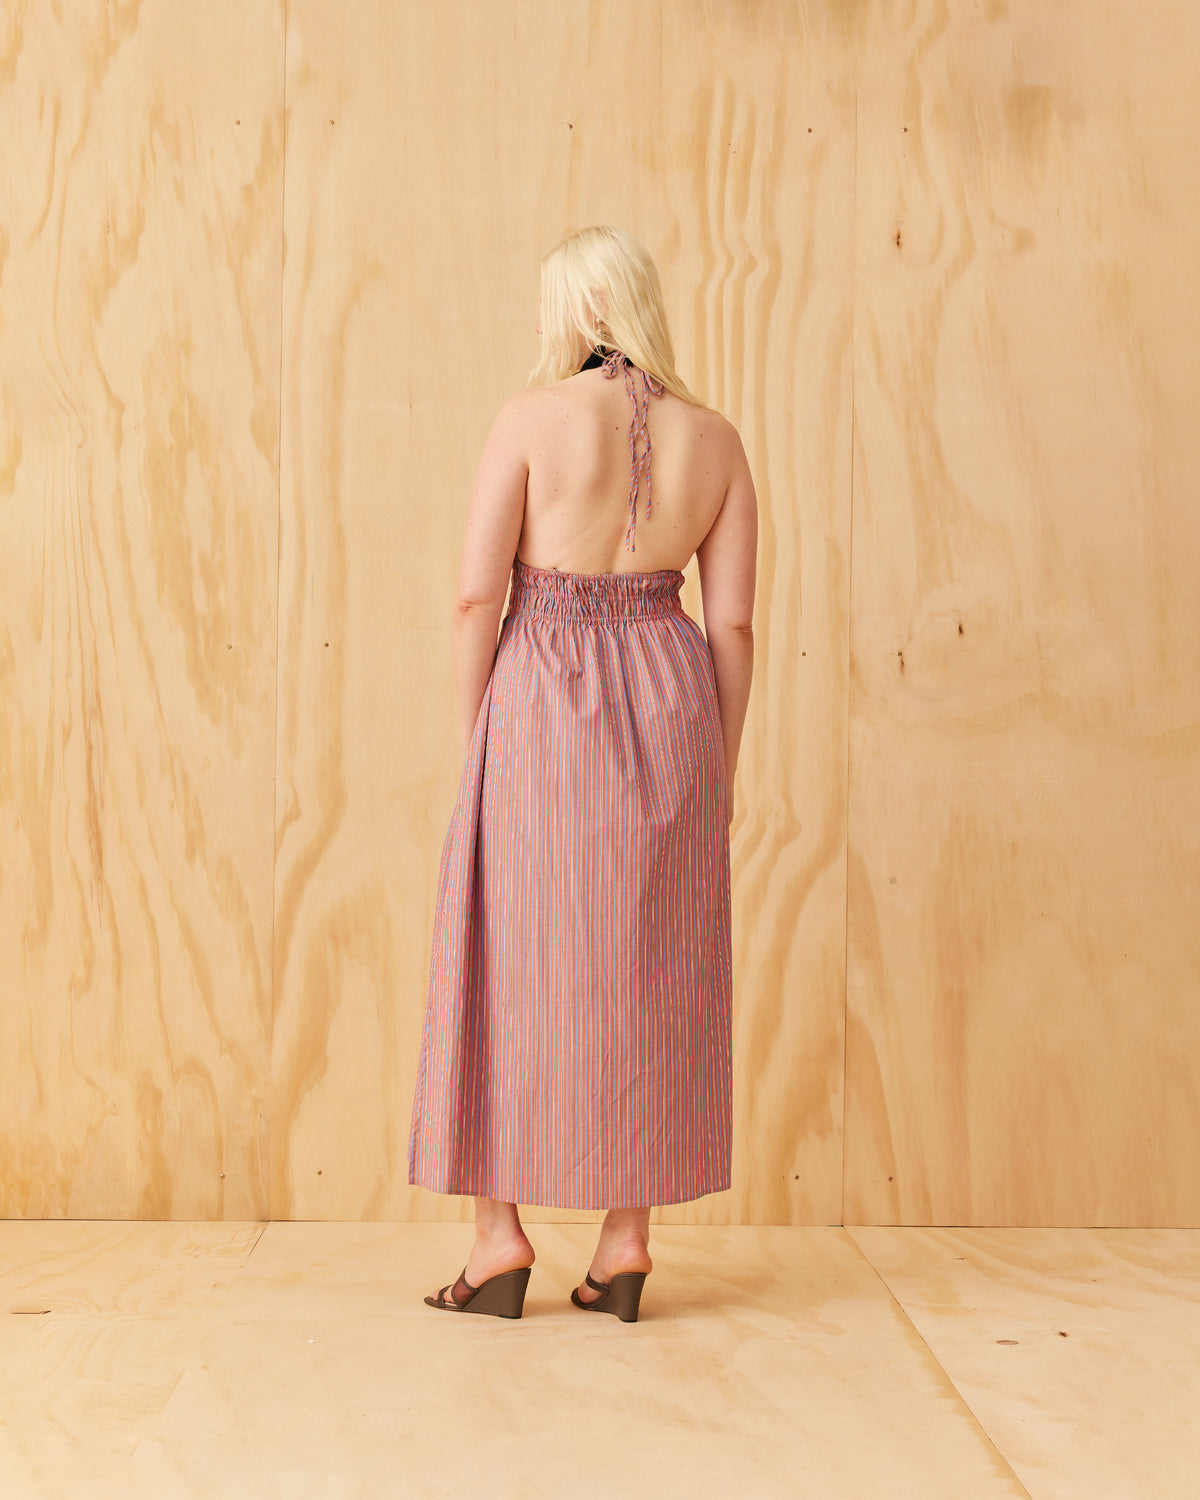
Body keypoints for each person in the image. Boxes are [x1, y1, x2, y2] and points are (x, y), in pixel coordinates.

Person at [407, 223, 757, 1322]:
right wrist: (719, 764)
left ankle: (497, 1238)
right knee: (655, 966)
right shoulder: (718, 439)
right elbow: (734, 625)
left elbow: (477, 596)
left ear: (585, 310)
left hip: (543, 695)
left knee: (503, 955)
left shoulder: (530, 418)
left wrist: (476, 738)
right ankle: (626, 1244)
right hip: (674, 693)